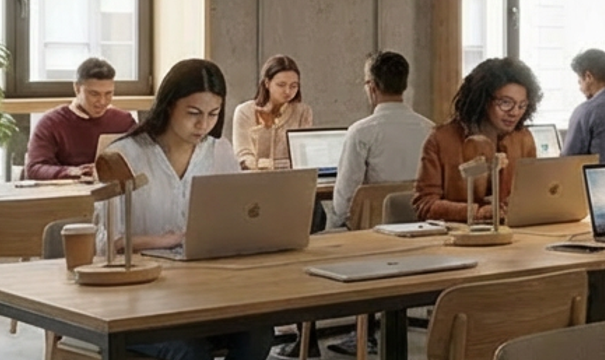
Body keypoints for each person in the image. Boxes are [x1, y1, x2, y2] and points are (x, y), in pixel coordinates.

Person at [96, 58, 271, 360]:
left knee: (259, 333)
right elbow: (104, 243)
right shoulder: (125, 154)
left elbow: (235, 222)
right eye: (194, 113)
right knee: (187, 346)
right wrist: (169, 241)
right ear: (168, 105)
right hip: (135, 301)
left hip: (203, 293)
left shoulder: (219, 153)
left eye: (213, 114)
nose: (204, 125)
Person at [413, 56, 540, 223]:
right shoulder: (441, 139)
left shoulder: (523, 139)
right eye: (505, 103)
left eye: (522, 105)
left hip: (513, 235)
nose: (515, 112)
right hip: (457, 240)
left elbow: (534, 195)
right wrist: (477, 212)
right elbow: (424, 204)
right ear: (482, 99)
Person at [330, 51, 434, 230]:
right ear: (404, 84)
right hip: (422, 226)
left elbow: (343, 201)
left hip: (371, 231)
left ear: (372, 87)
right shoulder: (431, 129)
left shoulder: (360, 132)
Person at [24, 58, 138, 180]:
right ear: (77, 89)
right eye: (94, 94)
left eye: (108, 94)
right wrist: (72, 172)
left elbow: (143, 159)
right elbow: (34, 169)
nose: (102, 101)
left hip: (114, 195)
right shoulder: (51, 123)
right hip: (68, 195)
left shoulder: (124, 121)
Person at [231, 54, 313, 171]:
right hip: (254, 181)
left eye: (293, 86)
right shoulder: (244, 111)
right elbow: (243, 158)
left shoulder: (303, 111)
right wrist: (266, 129)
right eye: (281, 85)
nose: (288, 91)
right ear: (267, 83)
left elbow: (303, 158)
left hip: (292, 180)